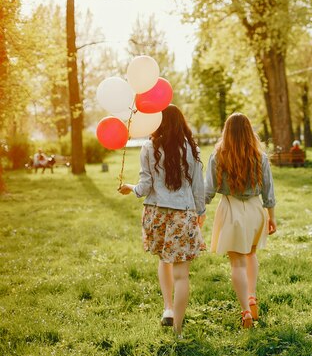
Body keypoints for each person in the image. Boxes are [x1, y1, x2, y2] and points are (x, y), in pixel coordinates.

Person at [118, 105, 206, 337]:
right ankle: (177, 327)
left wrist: (132, 189)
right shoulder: (191, 148)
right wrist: (201, 211)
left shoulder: (149, 147)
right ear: (181, 123)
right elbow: (199, 186)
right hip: (182, 214)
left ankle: (168, 308)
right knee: (181, 274)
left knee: (163, 260)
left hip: (156, 213)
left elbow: (146, 185)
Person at [205, 113, 276, 329]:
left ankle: (245, 310)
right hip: (256, 210)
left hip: (230, 208)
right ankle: (252, 297)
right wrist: (272, 217)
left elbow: (208, 189)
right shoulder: (259, 156)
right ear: (249, 131)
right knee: (251, 254)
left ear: (226, 131)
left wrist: (198, 210)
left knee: (237, 262)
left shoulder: (218, 156)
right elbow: (268, 191)